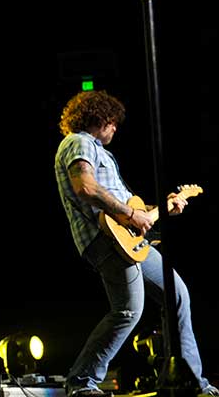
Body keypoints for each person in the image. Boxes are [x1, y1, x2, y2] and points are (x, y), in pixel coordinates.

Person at [54, 90, 217, 397]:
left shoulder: (100, 151)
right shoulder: (79, 142)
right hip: (103, 240)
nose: (115, 129)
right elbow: (84, 186)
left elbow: (135, 221)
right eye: (113, 123)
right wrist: (131, 212)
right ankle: (80, 381)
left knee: (177, 295)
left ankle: (192, 381)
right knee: (128, 310)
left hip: (127, 242)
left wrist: (161, 210)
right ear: (100, 117)